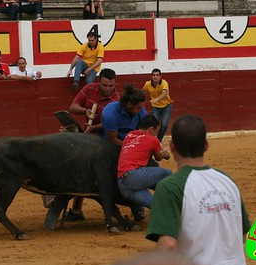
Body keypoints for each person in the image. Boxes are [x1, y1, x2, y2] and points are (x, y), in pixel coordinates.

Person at [146, 114, 251, 265]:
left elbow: (167, 246)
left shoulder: (170, 186)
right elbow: (242, 236)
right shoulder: (226, 181)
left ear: (172, 146)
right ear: (206, 145)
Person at [60, 68, 120, 221]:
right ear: (99, 82)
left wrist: (94, 127)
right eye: (105, 85)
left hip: (102, 141)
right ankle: (76, 210)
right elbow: (73, 107)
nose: (108, 89)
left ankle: (76, 210)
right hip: (86, 138)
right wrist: (85, 111)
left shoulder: (116, 100)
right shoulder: (89, 88)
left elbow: (111, 125)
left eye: (111, 86)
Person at [101, 84, 149, 221]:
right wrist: (132, 149)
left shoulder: (141, 111)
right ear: (129, 104)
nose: (141, 110)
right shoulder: (110, 113)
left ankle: (138, 204)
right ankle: (137, 205)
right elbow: (113, 139)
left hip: (133, 146)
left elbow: (144, 133)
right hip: (111, 148)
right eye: (138, 107)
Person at [117, 115, 172, 209]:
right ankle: (180, 201)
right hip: (133, 176)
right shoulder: (152, 139)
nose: (156, 135)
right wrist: (165, 153)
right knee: (168, 173)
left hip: (123, 185)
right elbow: (159, 157)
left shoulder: (129, 135)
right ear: (151, 130)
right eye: (156, 132)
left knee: (156, 206)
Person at [143, 68, 173, 142]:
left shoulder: (164, 83)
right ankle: (152, 140)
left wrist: (157, 99)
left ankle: (158, 141)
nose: (155, 77)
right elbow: (143, 92)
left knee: (164, 125)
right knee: (153, 125)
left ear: (160, 77)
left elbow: (164, 93)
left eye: (157, 75)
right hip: (155, 107)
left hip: (166, 106)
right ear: (151, 76)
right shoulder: (147, 84)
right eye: (153, 75)